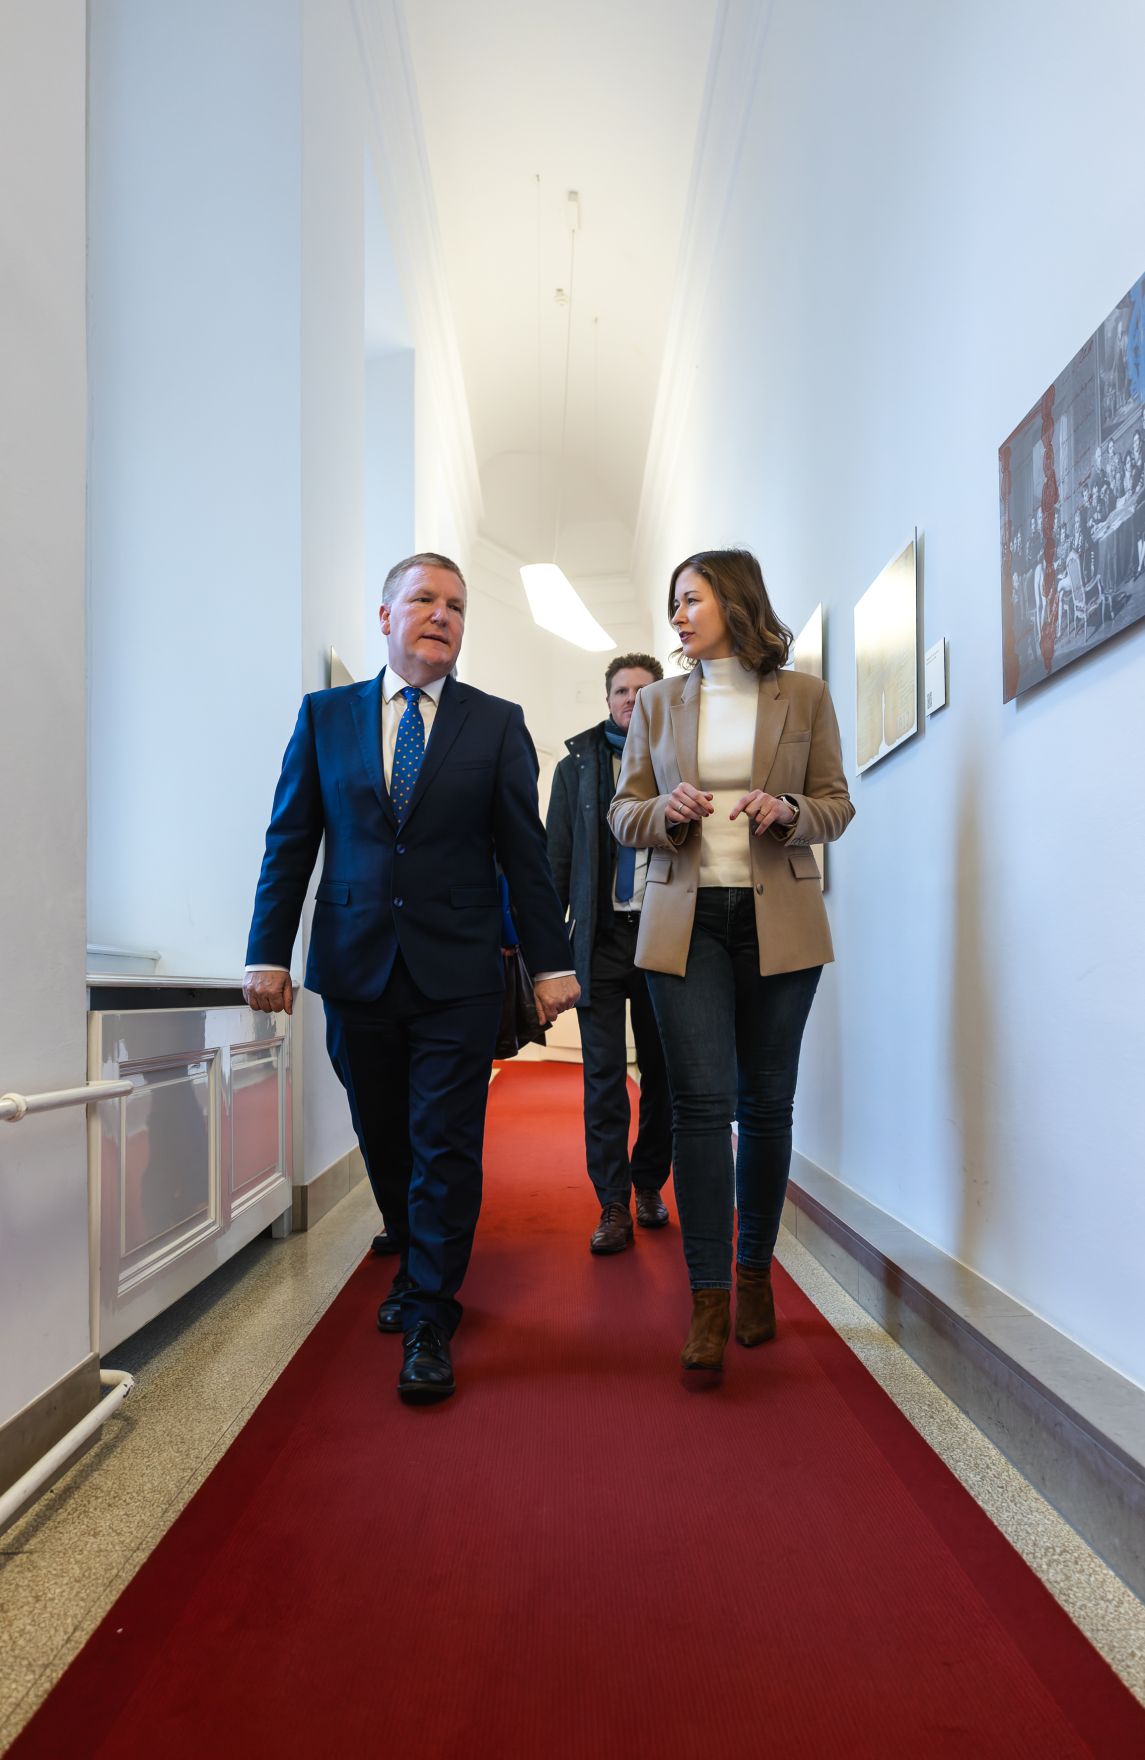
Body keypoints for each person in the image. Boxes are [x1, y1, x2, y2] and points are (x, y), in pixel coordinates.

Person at [243, 553, 578, 1404]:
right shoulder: (325, 718)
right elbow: (291, 842)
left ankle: (431, 1310)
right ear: (385, 616)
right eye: (423, 599)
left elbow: (524, 857)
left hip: (458, 972)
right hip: (355, 965)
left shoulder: (495, 724)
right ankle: (405, 1235)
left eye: (456, 605)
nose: (441, 614)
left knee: (446, 1142)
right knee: (383, 1131)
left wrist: (550, 965)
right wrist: (267, 952)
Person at [609, 549, 854, 1375]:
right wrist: (660, 813)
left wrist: (786, 810)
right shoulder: (655, 702)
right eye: (673, 603)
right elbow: (620, 811)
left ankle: (756, 1276)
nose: (677, 615)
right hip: (684, 922)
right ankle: (707, 1294)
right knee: (701, 1109)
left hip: (778, 919)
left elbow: (835, 803)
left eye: (690, 599)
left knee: (768, 1105)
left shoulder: (805, 695)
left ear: (733, 599)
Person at [546, 654, 673, 1255]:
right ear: (608, 701)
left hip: (665, 935)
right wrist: (550, 951)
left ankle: (649, 1184)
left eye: (642, 691)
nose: (630, 699)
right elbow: (556, 861)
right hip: (599, 938)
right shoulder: (576, 767)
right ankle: (613, 1203)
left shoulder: (681, 756)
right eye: (620, 691)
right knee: (602, 1077)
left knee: (664, 1073)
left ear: (658, 698)